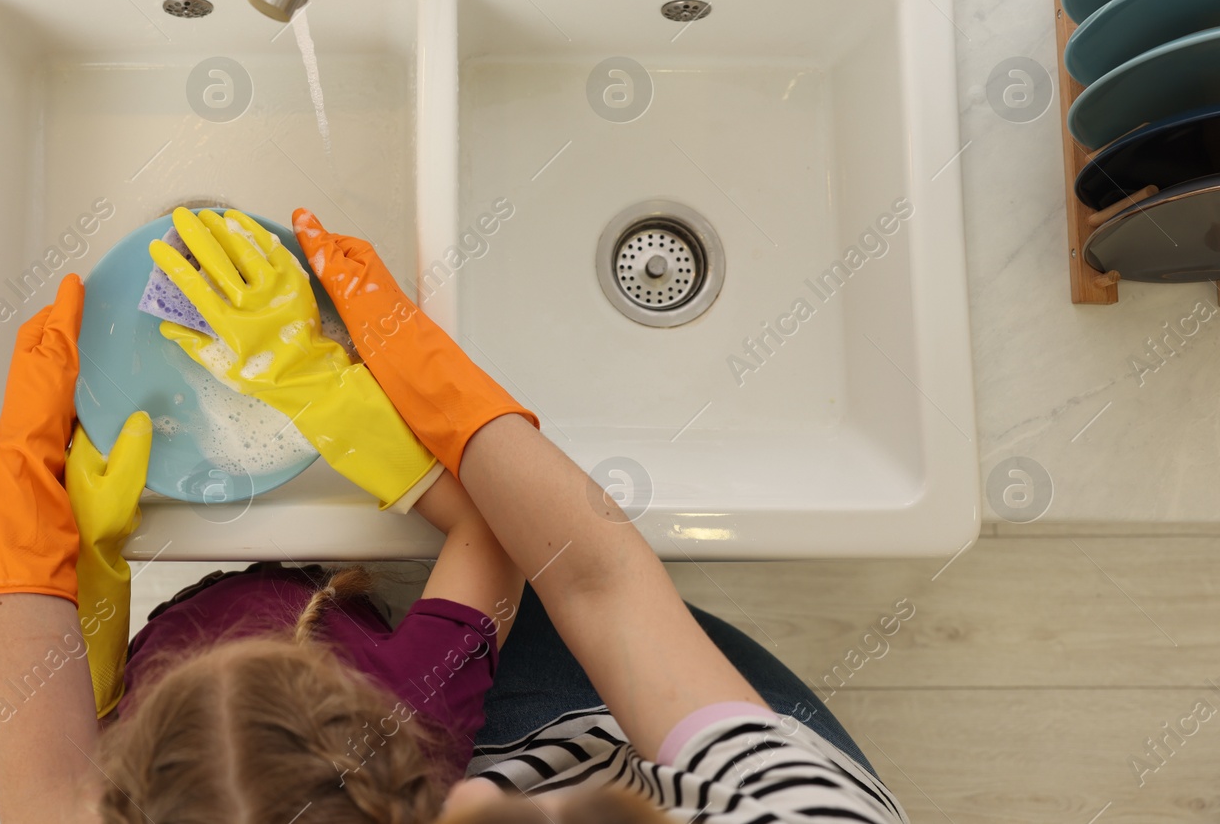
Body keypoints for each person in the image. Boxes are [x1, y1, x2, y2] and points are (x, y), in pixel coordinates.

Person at [291, 209, 908, 824]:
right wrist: (434, 383)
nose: (476, 790)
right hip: (746, 758)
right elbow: (600, 586)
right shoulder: (792, 812)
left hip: (464, 750)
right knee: (534, 590)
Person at [0, 208, 532, 824]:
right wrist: (335, 405)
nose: (222, 649)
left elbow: (55, 770)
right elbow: (497, 532)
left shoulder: (79, 804)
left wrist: (84, 572)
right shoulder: (408, 721)